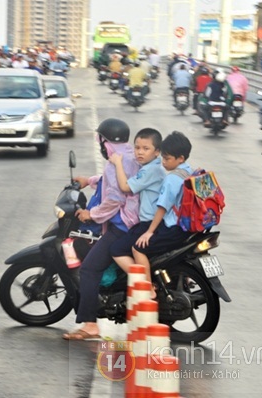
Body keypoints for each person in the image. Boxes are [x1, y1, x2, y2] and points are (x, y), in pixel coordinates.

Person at [62, 118, 140, 341]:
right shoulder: (130, 155)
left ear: (105, 142)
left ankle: (90, 325)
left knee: (89, 269)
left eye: (101, 141)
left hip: (122, 226)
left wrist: (91, 214)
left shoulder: (115, 162)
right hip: (134, 222)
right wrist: (90, 180)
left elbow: (114, 198)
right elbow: (111, 181)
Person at [130, 131, 194, 298]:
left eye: (167, 159)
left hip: (173, 228)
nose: (163, 162)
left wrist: (149, 232)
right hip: (189, 228)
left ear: (180, 158)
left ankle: (148, 289)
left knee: (138, 248)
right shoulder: (190, 171)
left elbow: (162, 207)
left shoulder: (172, 178)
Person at [109, 129, 165, 283]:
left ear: (157, 152)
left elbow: (125, 187)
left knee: (117, 249)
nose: (140, 152)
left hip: (149, 223)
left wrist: (118, 163)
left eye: (146, 149)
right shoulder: (155, 167)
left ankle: (144, 285)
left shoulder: (150, 170)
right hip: (153, 221)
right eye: (137, 147)